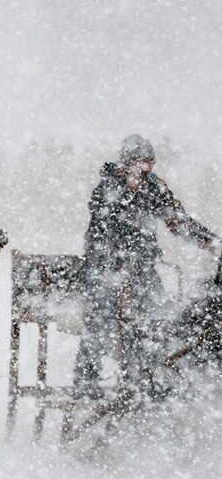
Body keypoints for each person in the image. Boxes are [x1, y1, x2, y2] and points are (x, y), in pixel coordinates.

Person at [73, 134, 221, 399]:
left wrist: (210, 242)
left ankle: (145, 377)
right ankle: (86, 382)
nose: (147, 169)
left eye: (150, 162)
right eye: (142, 162)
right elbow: (100, 231)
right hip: (107, 269)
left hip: (142, 270)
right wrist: (119, 258)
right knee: (101, 319)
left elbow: (177, 221)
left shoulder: (154, 188)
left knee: (157, 318)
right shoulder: (107, 189)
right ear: (126, 163)